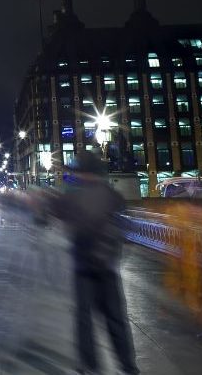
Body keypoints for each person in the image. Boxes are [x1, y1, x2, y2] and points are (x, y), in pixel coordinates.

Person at [54, 152, 138, 375]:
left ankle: (89, 366)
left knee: (84, 318)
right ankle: (128, 366)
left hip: (83, 267)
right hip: (108, 267)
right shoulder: (113, 196)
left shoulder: (73, 197)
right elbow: (127, 227)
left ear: (82, 172)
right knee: (116, 319)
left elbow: (57, 215)